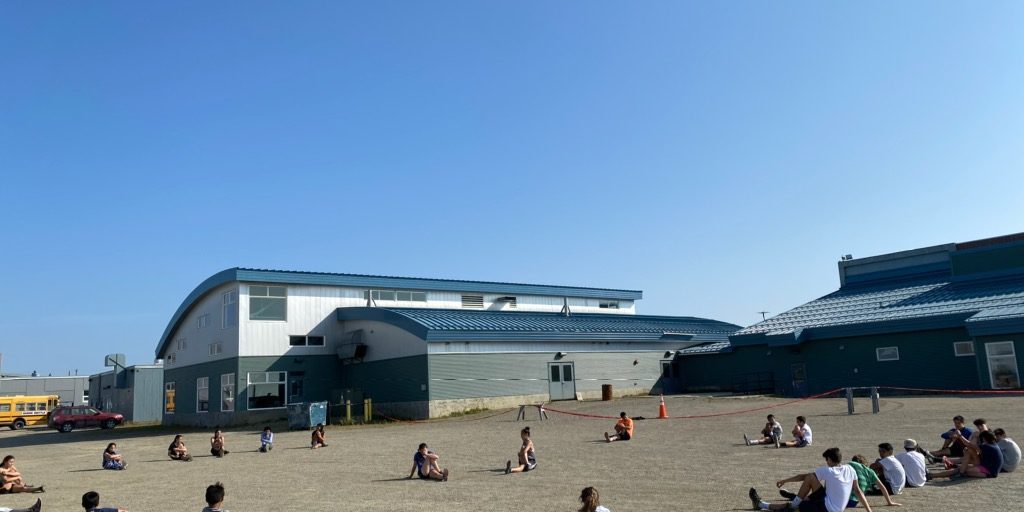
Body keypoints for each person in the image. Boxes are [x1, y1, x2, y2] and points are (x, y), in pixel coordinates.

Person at [748, 447, 887, 511]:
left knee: (790, 508)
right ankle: (798, 501)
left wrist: (785, 480)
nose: (826, 462)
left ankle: (761, 504)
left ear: (830, 460)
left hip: (827, 508)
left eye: (826, 460)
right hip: (830, 502)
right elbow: (858, 492)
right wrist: (869, 510)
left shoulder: (828, 470)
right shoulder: (850, 469)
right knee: (808, 487)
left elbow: (805, 477)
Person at [928, 430, 1003, 480]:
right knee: (968, 450)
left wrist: (960, 436)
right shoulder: (993, 445)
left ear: (984, 438)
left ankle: (932, 475)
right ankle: (958, 470)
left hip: (989, 472)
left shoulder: (987, 446)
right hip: (986, 466)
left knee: (959, 470)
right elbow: (970, 447)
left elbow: (969, 444)